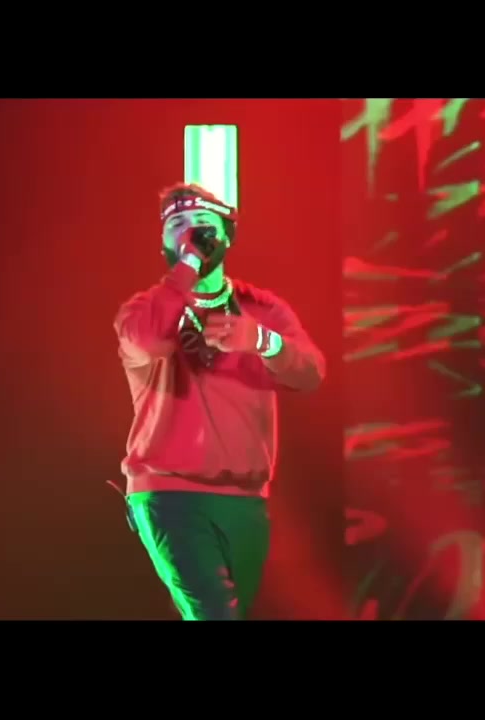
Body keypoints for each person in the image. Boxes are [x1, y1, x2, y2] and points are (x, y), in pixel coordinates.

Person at [113, 183, 325, 620]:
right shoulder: (145, 309)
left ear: (227, 235)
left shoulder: (261, 307)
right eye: (177, 225)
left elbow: (310, 372)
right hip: (168, 493)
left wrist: (262, 341)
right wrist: (189, 265)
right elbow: (146, 340)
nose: (191, 233)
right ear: (163, 241)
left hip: (245, 498)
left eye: (203, 224)